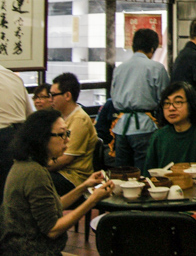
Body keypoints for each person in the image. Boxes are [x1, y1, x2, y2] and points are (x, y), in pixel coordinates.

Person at [0, 109, 113, 255]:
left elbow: (54, 206)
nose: (67, 140)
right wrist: (93, 200)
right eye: (61, 134)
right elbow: (53, 230)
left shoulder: (27, 164)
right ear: (42, 138)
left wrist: (84, 186)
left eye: (67, 133)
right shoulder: (34, 172)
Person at [111, 28, 169, 171]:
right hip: (145, 127)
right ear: (152, 48)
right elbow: (165, 99)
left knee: (122, 175)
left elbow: (113, 97)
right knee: (144, 173)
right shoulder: (156, 68)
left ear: (133, 46)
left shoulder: (119, 68)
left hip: (121, 128)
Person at [143, 81, 196, 175]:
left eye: (178, 102)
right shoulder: (158, 137)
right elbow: (148, 176)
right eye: (167, 103)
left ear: (191, 105)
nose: (171, 108)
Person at [48, 73, 98, 196]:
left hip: (74, 177)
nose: (50, 100)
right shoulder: (59, 116)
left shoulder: (79, 119)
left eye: (53, 95)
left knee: (36, 181)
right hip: (61, 172)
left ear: (67, 95)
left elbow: (66, 158)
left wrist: (41, 167)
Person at [0, 63, 34, 203]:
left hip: (4, 137)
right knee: (10, 195)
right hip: (18, 138)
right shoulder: (12, 76)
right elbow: (31, 115)